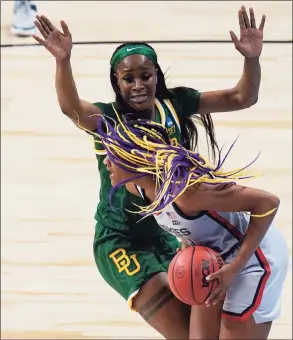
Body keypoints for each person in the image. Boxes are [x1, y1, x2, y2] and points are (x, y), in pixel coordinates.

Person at [32, 6, 267, 339]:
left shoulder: (175, 104)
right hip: (121, 242)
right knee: (187, 334)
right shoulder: (108, 120)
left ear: (157, 74)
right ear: (117, 82)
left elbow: (243, 97)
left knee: (206, 331)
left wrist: (252, 59)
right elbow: (71, 108)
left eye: (146, 75)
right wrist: (62, 61)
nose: (139, 85)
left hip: (168, 233)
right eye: (129, 78)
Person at [93, 114, 288, 340]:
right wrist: (187, 246)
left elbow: (268, 203)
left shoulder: (186, 193)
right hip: (215, 257)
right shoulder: (137, 189)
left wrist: (235, 266)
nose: (106, 161)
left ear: (136, 159)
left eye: (114, 155)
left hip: (256, 255)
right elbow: (189, 225)